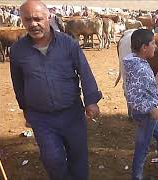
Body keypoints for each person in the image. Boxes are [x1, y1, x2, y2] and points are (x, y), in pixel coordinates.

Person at [9, 1, 102, 180]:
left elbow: (84, 71)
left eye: (38, 18)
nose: (33, 24)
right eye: (27, 20)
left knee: (78, 157)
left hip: (72, 113)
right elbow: (18, 83)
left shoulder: (68, 43)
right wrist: (26, 110)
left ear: (48, 17)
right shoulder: (17, 50)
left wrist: (91, 100)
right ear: (22, 20)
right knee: (53, 160)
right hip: (41, 118)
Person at [122, 29, 158, 180]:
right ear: (143, 47)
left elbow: (142, 89)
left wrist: (157, 92)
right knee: (143, 146)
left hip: (149, 111)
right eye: (153, 43)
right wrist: (152, 108)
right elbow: (133, 97)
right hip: (145, 114)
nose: (155, 46)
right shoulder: (139, 67)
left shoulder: (140, 62)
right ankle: (137, 177)